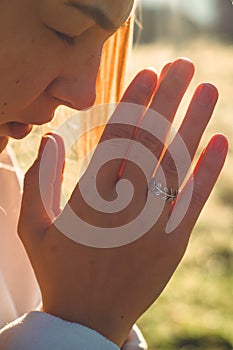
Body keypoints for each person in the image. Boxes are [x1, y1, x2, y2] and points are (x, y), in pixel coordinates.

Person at [0, 0, 228, 349]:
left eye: (105, 44)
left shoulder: (7, 193)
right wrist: (82, 323)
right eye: (66, 31)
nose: (86, 96)